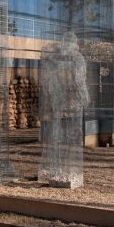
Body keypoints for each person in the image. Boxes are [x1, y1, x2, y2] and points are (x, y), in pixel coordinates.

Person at [38, 31, 89, 188]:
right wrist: (84, 97)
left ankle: (56, 170)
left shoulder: (54, 58)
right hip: (63, 104)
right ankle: (60, 171)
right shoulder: (75, 58)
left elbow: (47, 81)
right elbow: (79, 81)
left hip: (57, 103)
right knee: (66, 137)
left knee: (56, 137)